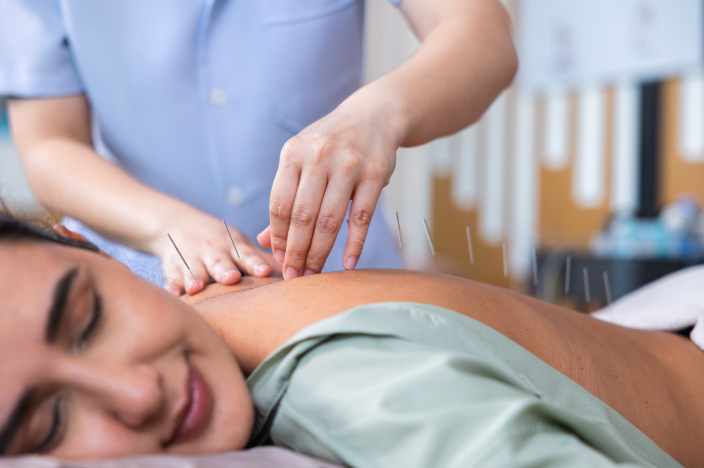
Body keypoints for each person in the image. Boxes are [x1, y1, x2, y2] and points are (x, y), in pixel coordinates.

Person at [0, 213, 702, 467]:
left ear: (85, 245)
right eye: (48, 422)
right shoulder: (218, 302)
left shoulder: (344, 391)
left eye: (89, 319)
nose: (137, 390)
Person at [0, 0, 518, 295]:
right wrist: (165, 226)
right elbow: (49, 144)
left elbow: (481, 35)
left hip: (346, 280)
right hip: (151, 277)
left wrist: (381, 111)